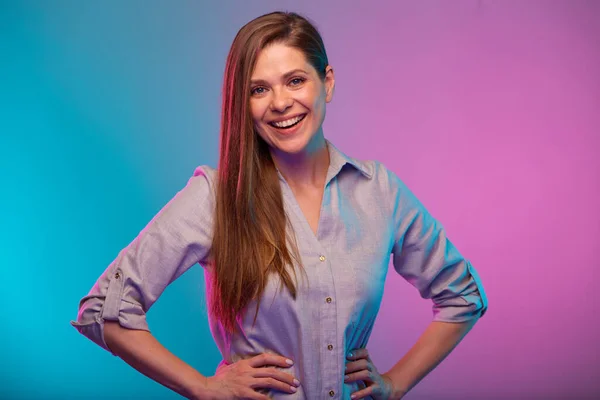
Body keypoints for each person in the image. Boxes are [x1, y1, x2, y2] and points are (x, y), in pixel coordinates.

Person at [71, 11, 488, 400]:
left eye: (294, 81)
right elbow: (104, 310)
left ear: (326, 82)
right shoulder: (216, 198)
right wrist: (203, 388)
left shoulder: (378, 191)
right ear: (243, 102)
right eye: (259, 89)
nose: (280, 103)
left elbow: (463, 296)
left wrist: (395, 384)